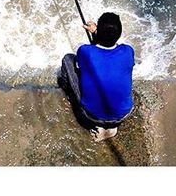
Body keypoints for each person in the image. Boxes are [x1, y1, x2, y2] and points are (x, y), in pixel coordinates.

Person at [57, 11, 135, 141]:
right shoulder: (128, 51)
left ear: (99, 30)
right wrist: (98, 33)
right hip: (123, 115)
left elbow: (81, 63)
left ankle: (70, 95)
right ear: (119, 34)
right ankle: (112, 127)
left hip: (92, 116)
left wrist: (96, 34)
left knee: (68, 59)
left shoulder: (85, 51)